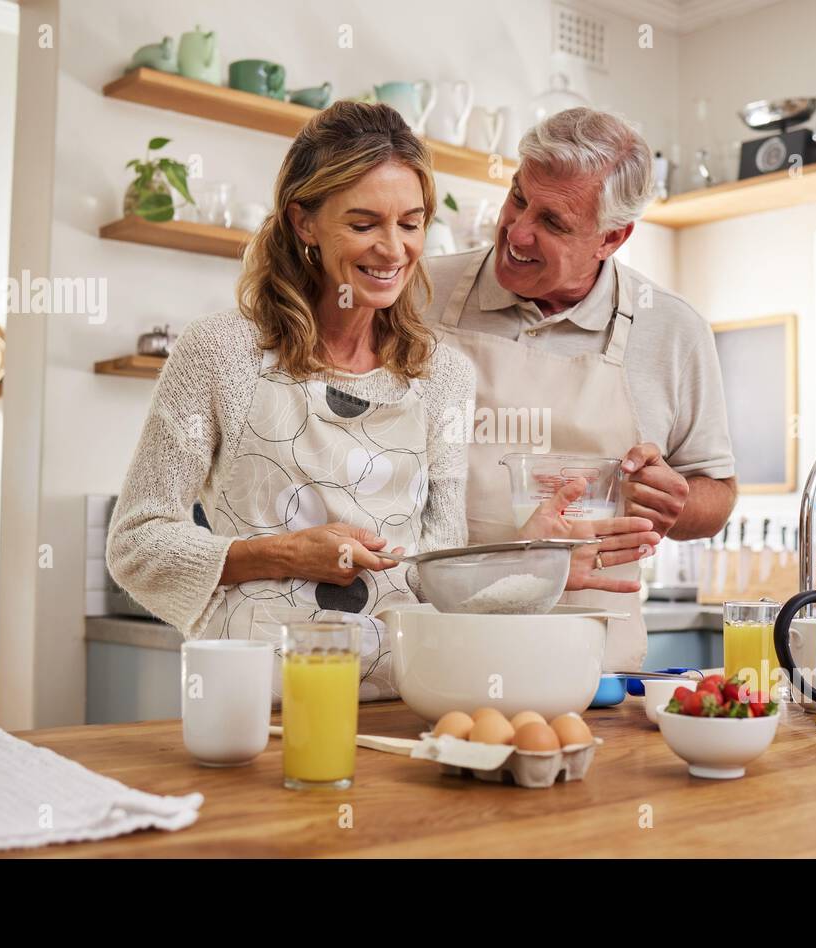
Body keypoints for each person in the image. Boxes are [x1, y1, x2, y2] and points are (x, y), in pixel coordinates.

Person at [106, 101, 655, 700]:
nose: (393, 250)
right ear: (304, 222)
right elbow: (137, 542)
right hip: (259, 706)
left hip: (407, 702)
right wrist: (279, 554)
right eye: (364, 224)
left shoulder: (439, 374)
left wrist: (533, 565)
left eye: (411, 223)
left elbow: (433, 574)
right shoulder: (221, 353)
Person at [424, 107, 738, 671]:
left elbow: (717, 496)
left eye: (554, 222)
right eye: (518, 197)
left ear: (611, 238)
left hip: (592, 666)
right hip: (442, 646)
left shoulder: (671, 330)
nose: (517, 232)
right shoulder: (421, 296)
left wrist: (676, 501)